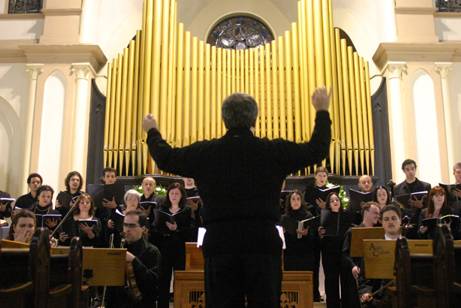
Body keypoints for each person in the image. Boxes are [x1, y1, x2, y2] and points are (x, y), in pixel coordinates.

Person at [143, 87, 331, 307]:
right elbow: (316, 150)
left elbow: (166, 158)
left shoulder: (206, 153)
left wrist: (152, 131)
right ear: (255, 119)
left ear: (224, 120)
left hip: (220, 243)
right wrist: (321, 111)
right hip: (262, 243)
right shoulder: (272, 151)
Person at [106, 209, 161, 308]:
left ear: (143, 229)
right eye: (125, 225)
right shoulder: (119, 247)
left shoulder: (152, 251)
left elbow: (153, 284)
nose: (127, 229)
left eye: (131, 226)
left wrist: (134, 260)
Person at [153, 182, 191, 308]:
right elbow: (155, 229)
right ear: (168, 195)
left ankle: (179, 305)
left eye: (177, 194)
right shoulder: (161, 210)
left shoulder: (186, 210)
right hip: (164, 248)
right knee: (164, 279)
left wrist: (177, 228)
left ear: (181, 196)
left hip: (180, 249)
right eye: (172, 193)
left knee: (179, 279)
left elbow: (191, 231)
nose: (174, 196)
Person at [318, 192, 353, 308]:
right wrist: (321, 234)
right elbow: (320, 237)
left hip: (343, 251)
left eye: (337, 200)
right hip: (329, 251)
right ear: (328, 204)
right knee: (331, 281)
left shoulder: (346, 215)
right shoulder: (325, 216)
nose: (335, 202)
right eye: (332, 201)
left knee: (345, 280)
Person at [280, 190, 315, 297]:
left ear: (301, 201)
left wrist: (306, 234)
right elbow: (280, 240)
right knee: (292, 285)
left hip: (305, 254)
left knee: (305, 283)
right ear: (289, 202)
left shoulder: (308, 215)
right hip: (290, 255)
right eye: (293, 199)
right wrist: (283, 233)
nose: (296, 201)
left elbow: (314, 238)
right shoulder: (284, 218)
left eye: (298, 199)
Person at [303, 166, 328, 301]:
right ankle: (315, 292)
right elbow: (306, 207)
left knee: (327, 262)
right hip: (313, 231)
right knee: (315, 262)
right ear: (315, 177)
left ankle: (327, 291)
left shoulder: (330, 192)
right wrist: (318, 207)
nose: (322, 178)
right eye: (320, 175)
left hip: (326, 231)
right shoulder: (310, 190)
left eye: (324, 176)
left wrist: (325, 207)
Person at [393, 159, 431, 238]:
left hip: (421, 222)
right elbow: (397, 207)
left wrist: (422, 206)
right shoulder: (397, 189)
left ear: (415, 169)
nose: (410, 171)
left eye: (412, 169)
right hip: (405, 223)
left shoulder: (425, 186)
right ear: (403, 171)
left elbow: (430, 206)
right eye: (407, 169)